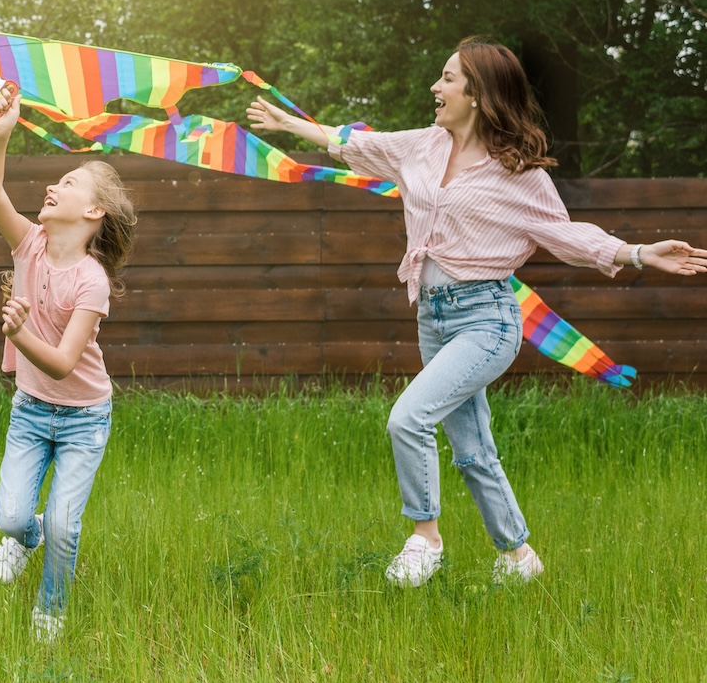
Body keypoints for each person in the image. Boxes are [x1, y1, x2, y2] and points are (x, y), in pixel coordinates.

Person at [247, 36, 707, 587]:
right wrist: (288, 122)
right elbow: (354, 143)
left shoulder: (519, 174)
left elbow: (567, 236)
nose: (434, 88)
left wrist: (636, 253)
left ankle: (425, 538)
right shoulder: (422, 146)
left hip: (486, 319)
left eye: (447, 79)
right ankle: (517, 556)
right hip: (432, 316)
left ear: (478, 93)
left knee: (407, 418)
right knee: (472, 449)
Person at [0, 85, 137, 640]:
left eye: (67, 183)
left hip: (84, 418)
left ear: (92, 212)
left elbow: (66, 363)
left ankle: (51, 608)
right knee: (13, 519)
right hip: (30, 411)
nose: (52, 185)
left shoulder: (93, 282)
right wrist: (1, 133)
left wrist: (18, 334)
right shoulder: (28, 246)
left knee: (67, 526)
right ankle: (28, 539)